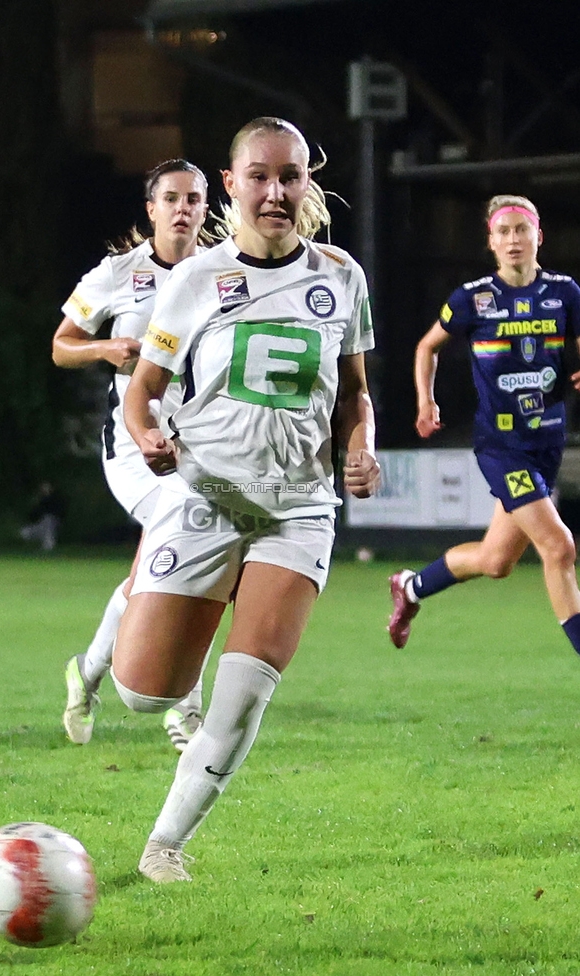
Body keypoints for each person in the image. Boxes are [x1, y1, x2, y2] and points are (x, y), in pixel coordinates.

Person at [115, 116, 380, 883]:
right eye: (259, 176)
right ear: (229, 186)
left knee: (244, 692)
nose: (275, 192)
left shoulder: (342, 276)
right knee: (141, 692)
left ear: (308, 184)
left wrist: (359, 445)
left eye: (290, 176)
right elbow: (145, 395)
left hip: (298, 506)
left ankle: (164, 844)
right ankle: (162, 596)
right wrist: (147, 437)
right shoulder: (196, 279)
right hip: (204, 494)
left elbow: (356, 395)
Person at [52, 159, 209, 749]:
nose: (183, 208)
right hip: (133, 452)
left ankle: (87, 672)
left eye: (193, 198)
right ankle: (183, 711)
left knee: (163, 572)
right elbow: (61, 346)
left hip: (199, 453)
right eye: (170, 198)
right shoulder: (118, 274)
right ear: (151, 209)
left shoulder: (222, 273)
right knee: (194, 551)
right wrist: (104, 349)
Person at [388, 194, 580, 655]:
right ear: (491, 242)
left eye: (521, 229)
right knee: (559, 548)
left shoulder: (565, 293)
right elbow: (426, 347)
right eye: (503, 231)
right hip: (502, 446)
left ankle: (411, 587)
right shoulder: (474, 299)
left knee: (496, 561)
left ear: (539, 236)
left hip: (548, 441)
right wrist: (425, 401)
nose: (513, 239)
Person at [19, 481, 65, 552]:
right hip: (40, 525)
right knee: (24, 532)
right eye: (43, 487)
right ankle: (32, 545)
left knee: (48, 520)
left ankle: (48, 545)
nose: (44, 489)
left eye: (46, 487)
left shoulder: (56, 499)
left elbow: (57, 513)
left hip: (51, 524)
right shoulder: (39, 500)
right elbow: (32, 516)